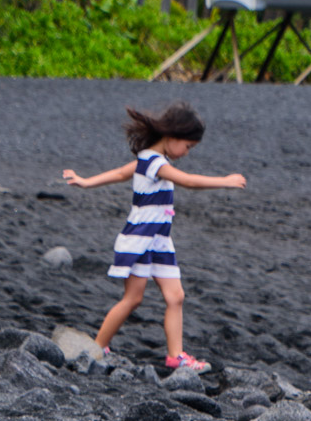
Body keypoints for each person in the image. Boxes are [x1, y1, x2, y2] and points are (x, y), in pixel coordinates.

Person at [62, 101, 245, 371]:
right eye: (188, 146)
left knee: (176, 296)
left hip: (160, 239)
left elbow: (122, 173)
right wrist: (225, 181)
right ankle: (96, 347)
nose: (186, 152)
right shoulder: (152, 160)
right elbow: (189, 181)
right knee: (133, 298)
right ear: (171, 137)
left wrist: (87, 181)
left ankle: (176, 356)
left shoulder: (152, 160)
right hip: (140, 238)